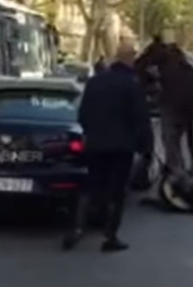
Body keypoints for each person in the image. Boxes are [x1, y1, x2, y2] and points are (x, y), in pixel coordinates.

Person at [63, 42, 154, 252]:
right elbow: (140, 119)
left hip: (95, 145)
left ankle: (76, 230)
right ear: (130, 58)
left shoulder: (95, 82)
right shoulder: (132, 85)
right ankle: (110, 237)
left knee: (89, 188)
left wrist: (91, 134)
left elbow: (82, 115)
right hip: (121, 148)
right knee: (116, 193)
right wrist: (146, 148)